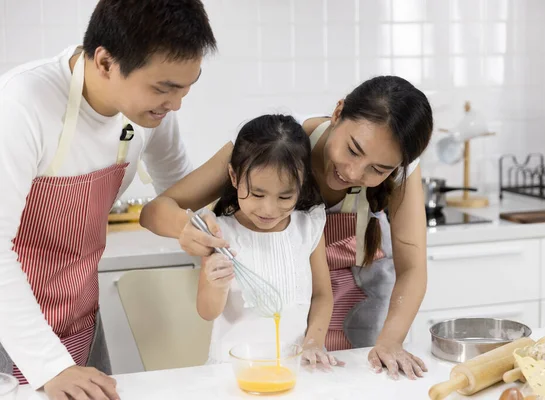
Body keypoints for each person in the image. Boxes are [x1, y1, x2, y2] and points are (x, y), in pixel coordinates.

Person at [140, 75, 433, 380]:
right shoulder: (275, 145)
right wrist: (186, 229)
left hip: (361, 314)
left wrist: (390, 340)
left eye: (378, 170)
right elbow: (155, 211)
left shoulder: (400, 167)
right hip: (276, 338)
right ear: (337, 113)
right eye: (353, 150)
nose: (353, 172)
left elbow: (412, 268)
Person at [0, 0, 216, 398]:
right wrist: (51, 366)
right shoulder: (22, 104)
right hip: (10, 327)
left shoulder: (151, 112)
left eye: (187, 87)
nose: (176, 104)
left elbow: (178, 187)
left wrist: (203, 233)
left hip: (79, 316)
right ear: (104, 62)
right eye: (164, 88)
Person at [196, 114, 337, 368]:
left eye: (285, 197)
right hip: (232, 373)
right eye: (258, 193)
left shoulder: (309, 227)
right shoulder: (219, 233)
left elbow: (322, 295)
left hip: (295, 368)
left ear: (301, 185)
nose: (269, 209)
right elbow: (207, 312)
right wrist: (214, 283)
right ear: (234, 176)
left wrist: (314, 342)